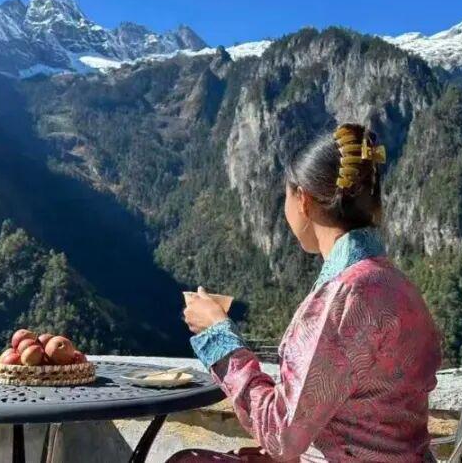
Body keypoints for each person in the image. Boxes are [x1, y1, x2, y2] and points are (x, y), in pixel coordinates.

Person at [170, 123, 441, 462]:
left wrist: (218, 336)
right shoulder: (393, 283)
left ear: (303, 200)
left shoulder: (345, 297)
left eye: (286, 196)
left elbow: (281, 434)